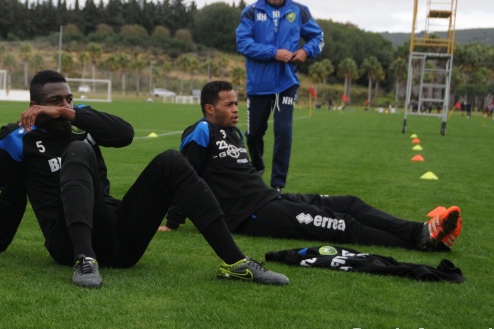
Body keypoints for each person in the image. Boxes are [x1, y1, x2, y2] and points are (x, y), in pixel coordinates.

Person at [0, 70, 289, 287]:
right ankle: (85, 261)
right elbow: (11, 196)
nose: (64, 106)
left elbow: (125, 134)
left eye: (68, 99)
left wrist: (71, 113)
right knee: (77, 152)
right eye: (55, 102)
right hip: (67, 242)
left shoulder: (82, 122)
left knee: (171, 161)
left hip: (120, 240)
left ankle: (236, 262)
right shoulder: (15, 138)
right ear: (35, 106)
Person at [159, 81, 463, 253]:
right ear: (210, 109)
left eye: (238, 103)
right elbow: (186, 177)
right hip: (251, 215)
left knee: (349, 204)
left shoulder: (235, 134)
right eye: (229, 104)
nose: (237, 109)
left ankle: (422, 231)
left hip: (270, 199)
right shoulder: (199, 131)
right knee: (342, 224)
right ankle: (425, 240)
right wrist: (173, 221)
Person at [235, 0, 324, 190]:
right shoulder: (251, 12)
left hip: (286, 84)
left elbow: (318, 37)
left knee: (283, 133)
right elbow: (243, 43)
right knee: (254, 134)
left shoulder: (299, 11)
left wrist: (306, 51)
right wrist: (273, 53)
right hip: (258, 85)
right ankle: (257, 165)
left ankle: (277, 186)